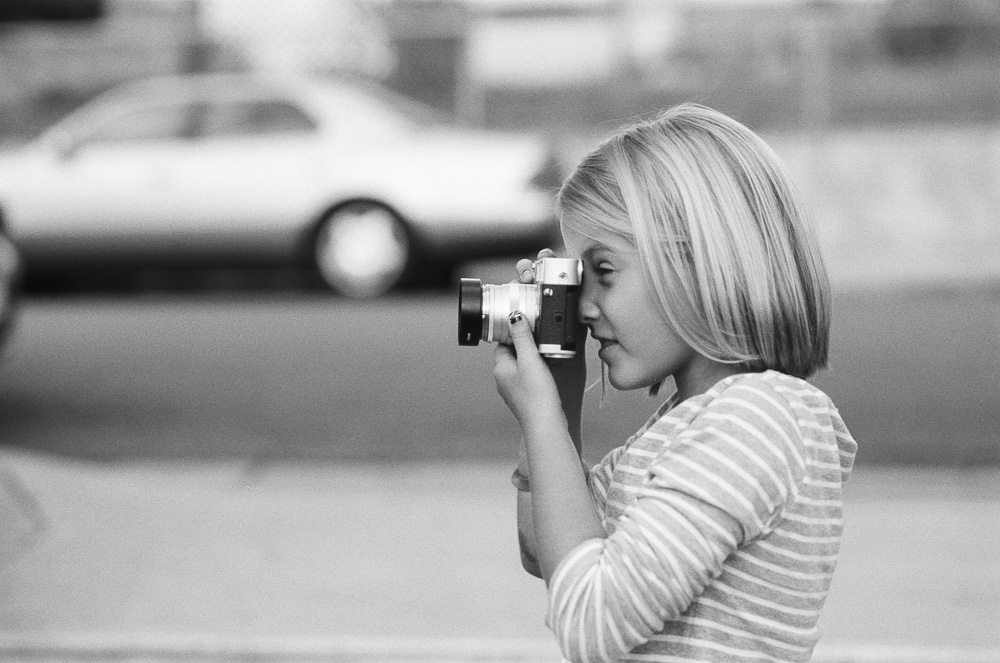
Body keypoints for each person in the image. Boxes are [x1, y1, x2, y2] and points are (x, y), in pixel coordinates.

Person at [491, 103, 858, 663]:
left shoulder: (755, 420)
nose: (583, 307)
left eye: (604, 272)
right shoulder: (683, 430)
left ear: (700, 261)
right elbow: (545, 550)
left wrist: (541, 415)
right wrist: (557, 404)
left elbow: (591, 622)